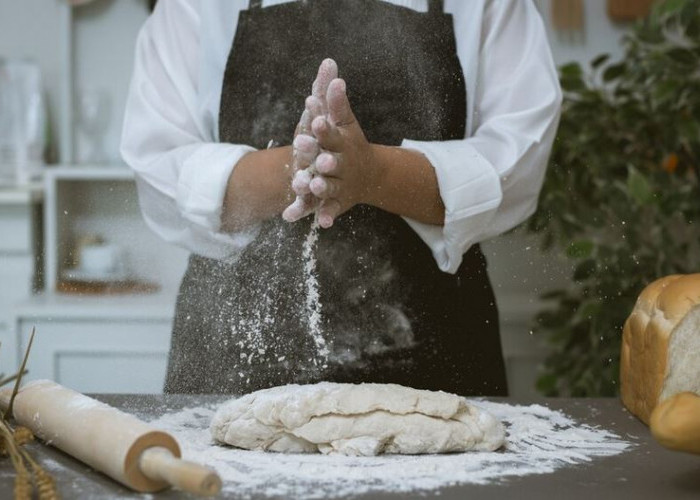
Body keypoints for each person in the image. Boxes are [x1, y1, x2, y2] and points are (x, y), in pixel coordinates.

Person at [121, 0, 562, 396]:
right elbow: (159, 168)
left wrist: (374, 175)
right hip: (234, 350)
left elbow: (518, 161)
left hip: (434, 350)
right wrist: (294, 170)